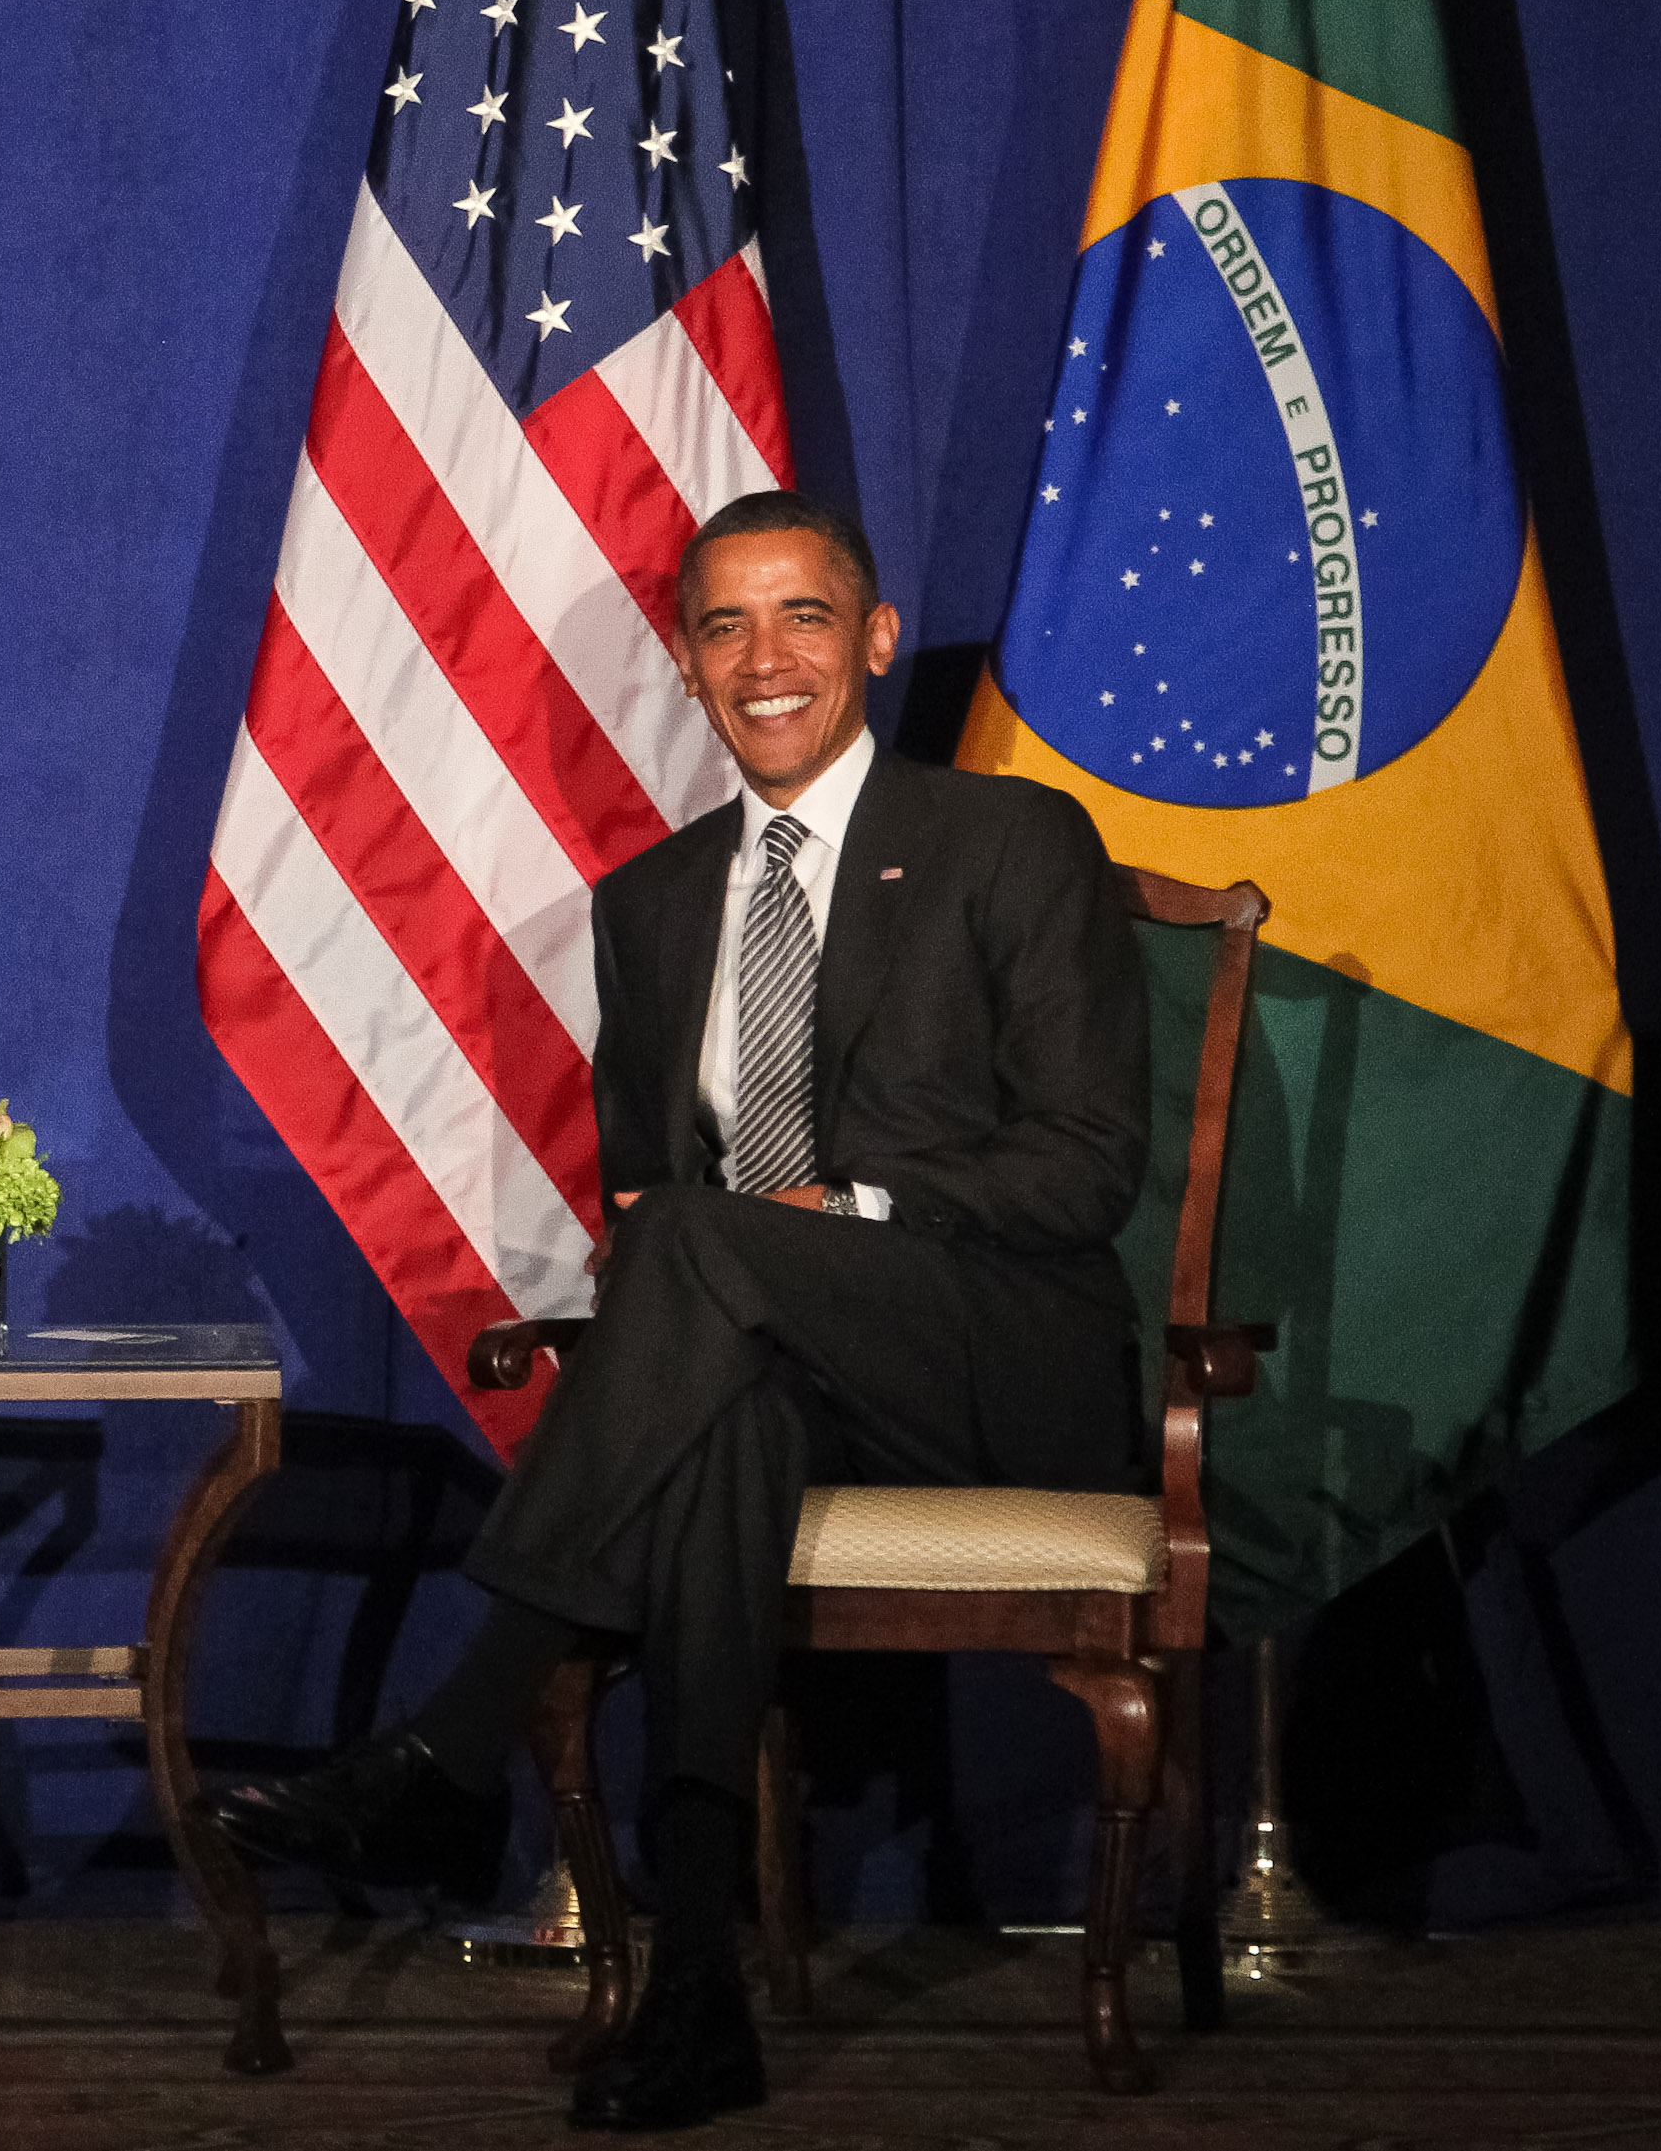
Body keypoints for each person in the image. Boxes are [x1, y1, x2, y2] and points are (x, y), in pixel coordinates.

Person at [203, 490, 1149, 2132]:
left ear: (871, 639)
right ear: (688, 663)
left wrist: (836, 1212)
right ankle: (697, 1988)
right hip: (773, 1366)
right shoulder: (647, 905)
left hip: (995, 1359)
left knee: (707, 1252)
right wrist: (710, 1247)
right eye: (723, 625)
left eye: (801, 615)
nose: (762, 656)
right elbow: (647, 1198)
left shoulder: (1007, 840)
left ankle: (453, 1736)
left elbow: (1084, 1165)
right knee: (718, 1429)